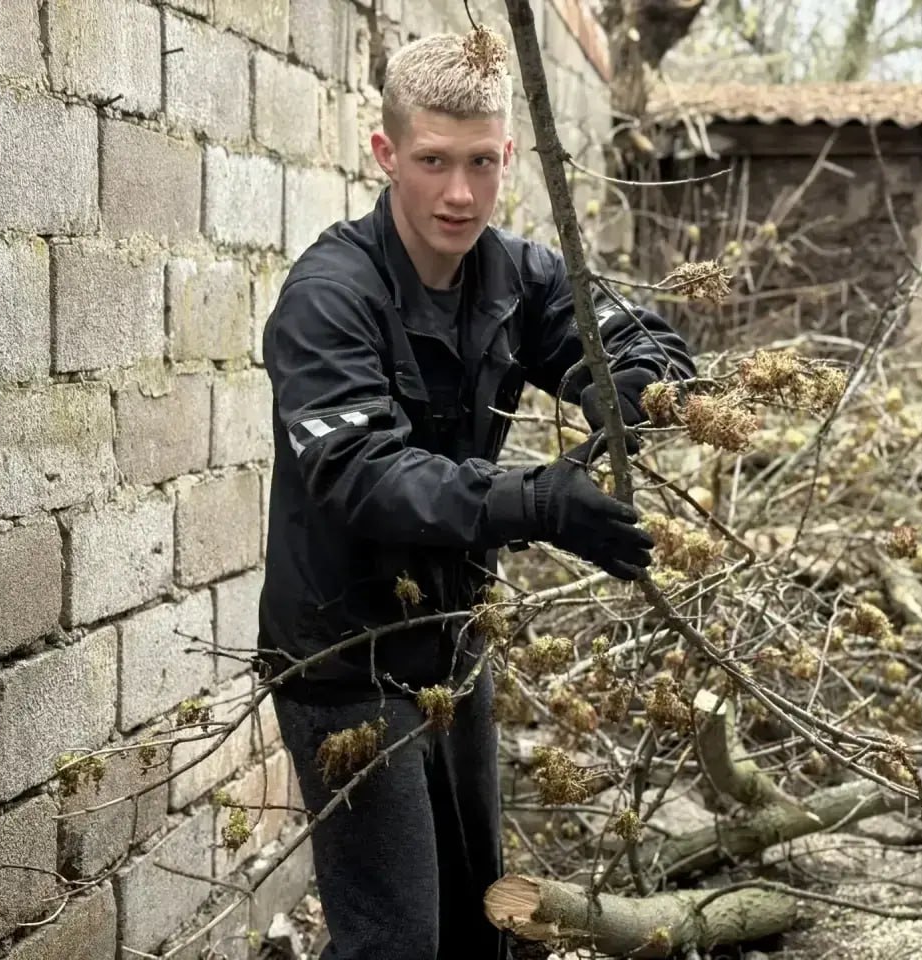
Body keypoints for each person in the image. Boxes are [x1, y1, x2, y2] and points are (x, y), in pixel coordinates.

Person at [256, 32, 696, 960]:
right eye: (433, 163)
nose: (460, 194)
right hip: (347, 661)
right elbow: (363, 475)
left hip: (455, 642)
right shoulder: (328, 297)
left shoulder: (516, 273)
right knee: (395, 942)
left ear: (509, 158)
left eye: (483, 164)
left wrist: (628, 383)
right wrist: (538, 503)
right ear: (386, 155)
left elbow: (634, 337)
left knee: (477, 923)